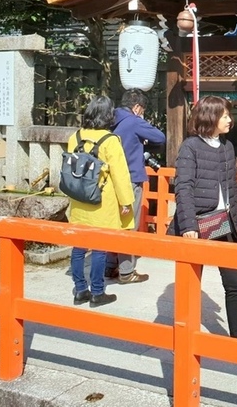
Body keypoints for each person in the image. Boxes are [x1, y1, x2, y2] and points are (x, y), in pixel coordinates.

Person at [168, 96, 237, 339]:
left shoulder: (227, 146)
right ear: (211, 117)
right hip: (199, 223)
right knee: (191, 281)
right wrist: (188, 226)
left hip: (224, 222)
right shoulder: (190, 146)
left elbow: (232, 186)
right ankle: (185, 334)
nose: (230, 120)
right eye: (225, 116)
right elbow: (183, 188)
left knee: (233, 282)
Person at [68, 96, 136, 308]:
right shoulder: (110, 140)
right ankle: (97, 292)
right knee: (100, 247)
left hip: (80, 199)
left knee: (78, 247)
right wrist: (126, 202)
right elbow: (120, 175)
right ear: (108, 115)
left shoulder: (75, 137)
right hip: (102, 201)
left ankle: (80, 290)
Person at [104, 88, 166, 283]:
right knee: (128, 223)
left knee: (113, 223)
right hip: (130, 178)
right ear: (137, 107)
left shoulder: (109, 119)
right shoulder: (133, 121)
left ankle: (110, 265)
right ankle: (126, 270)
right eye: (142, 110)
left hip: (109, 179)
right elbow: (160, 137)